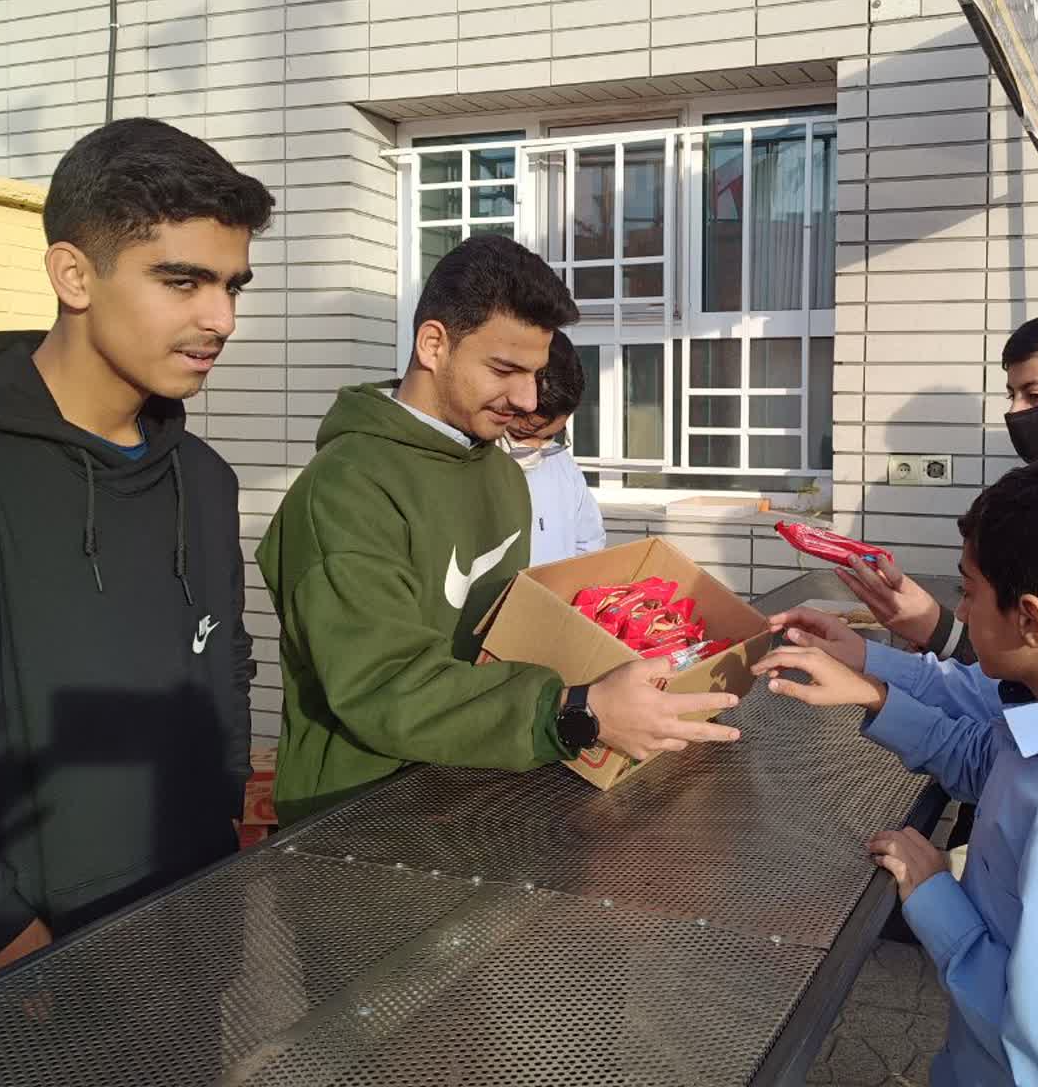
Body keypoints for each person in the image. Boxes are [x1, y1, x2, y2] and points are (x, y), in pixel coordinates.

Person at [0, 118, 270, 1016]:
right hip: (6, 998)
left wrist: (219, 839)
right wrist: (12, 956)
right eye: (181, 281)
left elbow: (223, 670)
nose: (219, 319)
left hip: (188, 960)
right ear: (73, 275)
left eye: (231, 286)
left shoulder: (204, 481)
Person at [258, 236, 741, 823]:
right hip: (360, 814)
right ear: (433, 344)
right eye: (504, 369)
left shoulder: (499, 471)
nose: (527, 398)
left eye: (535, 373)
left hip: (480, 788)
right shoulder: (346, 489)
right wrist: (571, 712)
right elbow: (384, 685)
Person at [754, 455, 1038, 1087]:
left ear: (1031, 620)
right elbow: (984, 760)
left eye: (968, 592)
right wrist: (872, 686)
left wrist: (935, 895)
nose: (958, 612)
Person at [837, 308, 1038, 667]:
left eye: (1034, 395)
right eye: (1012, 395)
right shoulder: (1035, 488)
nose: (1016, 412)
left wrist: (936, 628)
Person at [503, 331, 605, 566]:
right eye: (522, 435)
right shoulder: (467, 466)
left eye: (550, 436)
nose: (537, 448)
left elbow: (589, 544)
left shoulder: (561, 463)